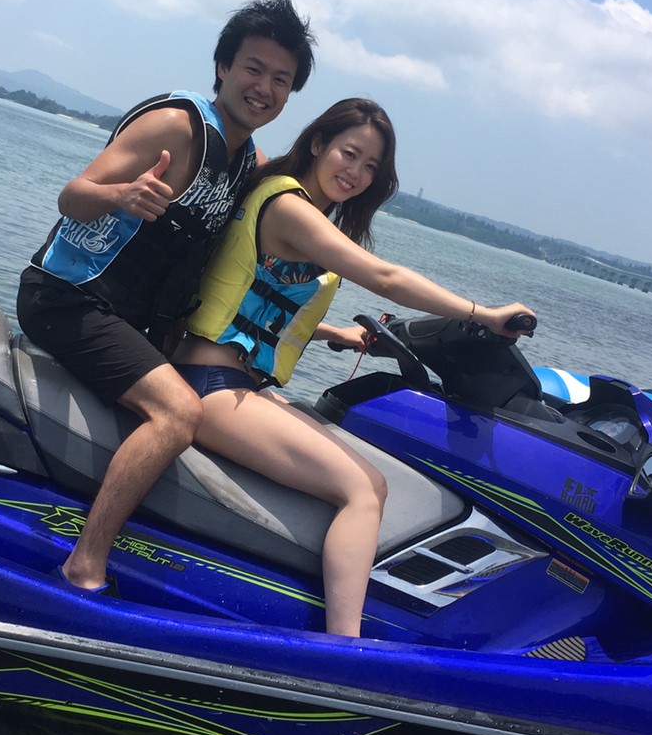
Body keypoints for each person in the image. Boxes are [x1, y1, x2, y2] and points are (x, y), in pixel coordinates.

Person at [173, 98, 536, 637]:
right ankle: (343, 647)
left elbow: (250, 296)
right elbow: (385, 278)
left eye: (370, 167)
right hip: (211, 384)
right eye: (350, 154)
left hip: (233, 379)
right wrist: (483, 314)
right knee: (364, 490)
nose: (357, 173)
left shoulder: (295, 204)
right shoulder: (291, 208)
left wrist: (334, 333)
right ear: (319, 143)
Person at [17, 0, 317, 593]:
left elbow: (223, 272)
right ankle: (84, 564)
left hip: (132, 322)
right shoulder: (177, 126)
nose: (264, 87)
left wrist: (326, 330)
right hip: (70, 297)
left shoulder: (247, 162)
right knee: (179, 412)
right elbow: (73, 196)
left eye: (281, 80)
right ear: (223, 67)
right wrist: (122, 196)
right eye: (254, 68)